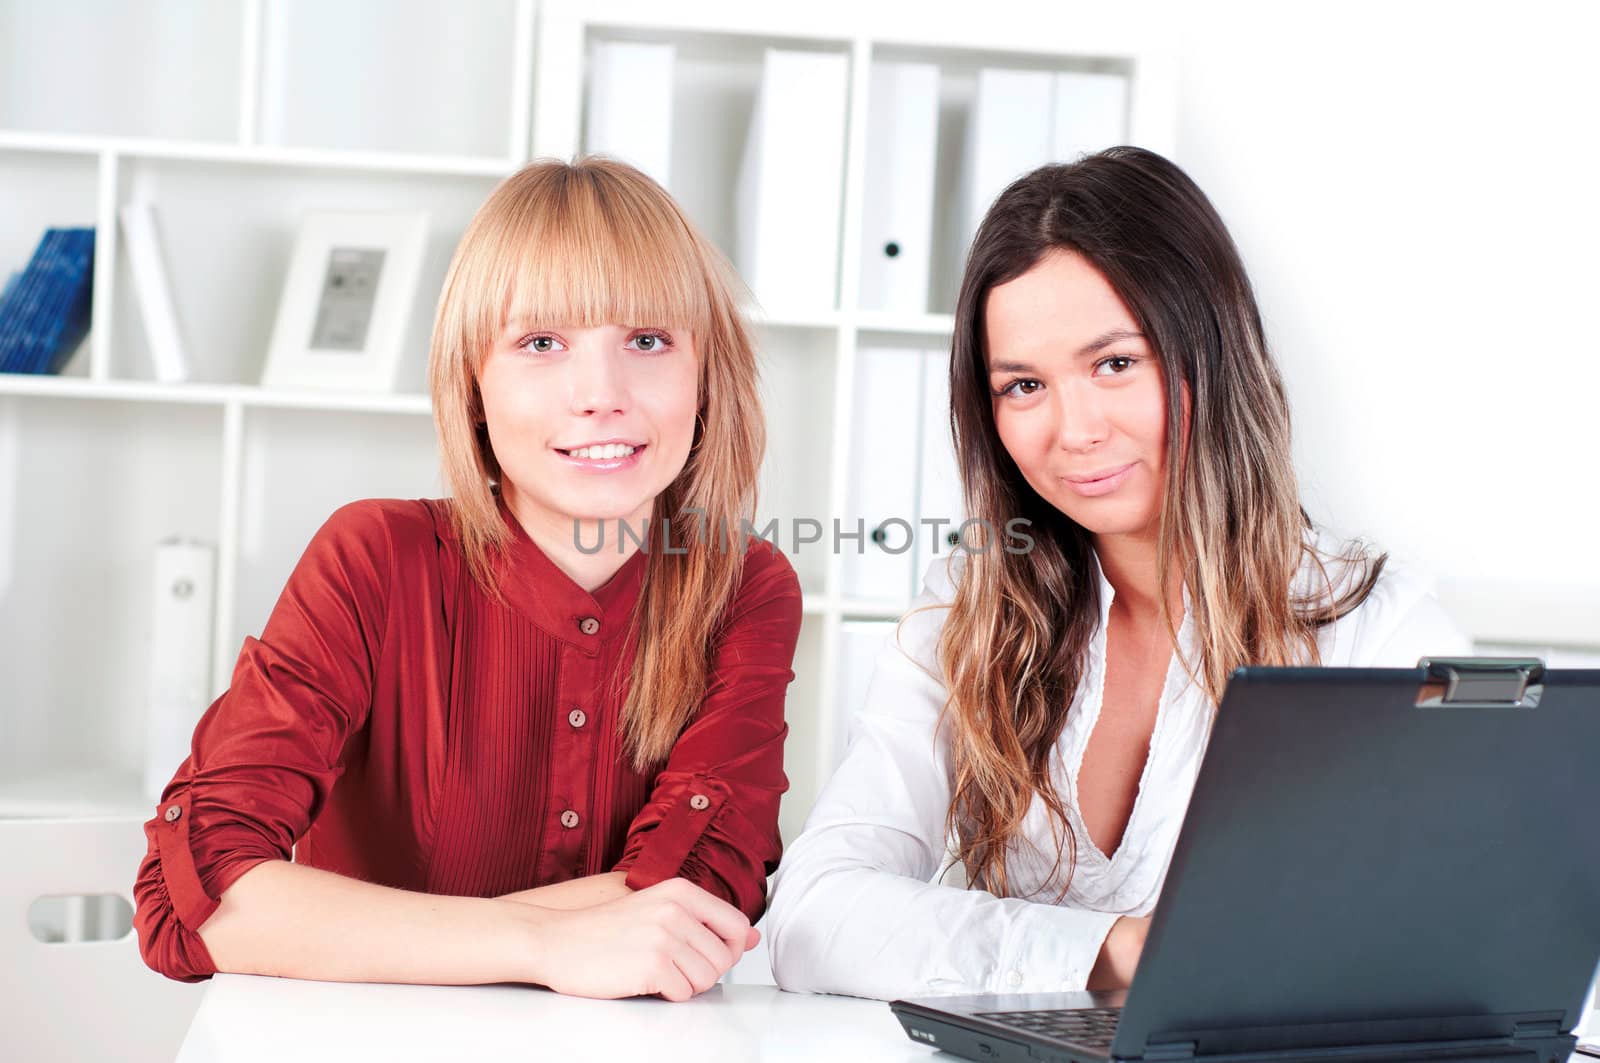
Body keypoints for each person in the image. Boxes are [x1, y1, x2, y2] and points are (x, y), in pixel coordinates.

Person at [766, 147, 1469, 999]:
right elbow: (814, 913)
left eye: (1114, 364)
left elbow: (1451, 965)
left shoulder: (1378, 632)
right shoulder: (972, 603)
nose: (1074, 430)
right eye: (1023, 385)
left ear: (1207, 351)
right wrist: (1120, 950)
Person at [134, 157, 803, 1003]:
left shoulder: (745, 584)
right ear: (474, 387)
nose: (601, 394)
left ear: (705, 376)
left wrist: (333, 922)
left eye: (647, 339)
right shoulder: (375, 556)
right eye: (541, 343)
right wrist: (544, 943)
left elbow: (702, 894)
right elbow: (192, 900)